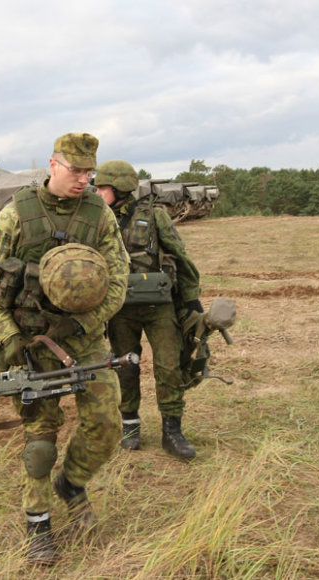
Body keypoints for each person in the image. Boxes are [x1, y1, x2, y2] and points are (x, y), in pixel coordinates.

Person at [0, 133, 129, 565]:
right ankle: (38, 523)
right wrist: (9, 337)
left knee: (106, 425)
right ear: (52, 165)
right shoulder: (16, 214)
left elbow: (118, 282)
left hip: (84, 338)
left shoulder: (100, 216)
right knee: (40, 439)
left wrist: (83, 322)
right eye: (75, 170)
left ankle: (72, 484)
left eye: (89, 172)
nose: (84, 179)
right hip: (30, 344)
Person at [94, 160, 204, 460]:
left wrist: (191, 298)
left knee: (169, 365)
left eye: (102, 187)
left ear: (120, 188)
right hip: (119, 308)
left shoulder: (154, 215)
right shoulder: (96, 220)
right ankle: (130, 425)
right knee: (125, 367)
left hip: (159, 306)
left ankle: (172, 430)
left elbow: (180, 255)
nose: (97, 192)